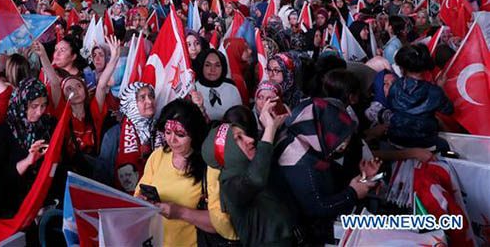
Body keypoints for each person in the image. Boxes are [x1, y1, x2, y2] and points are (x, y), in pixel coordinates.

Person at [275, 97, 379, 244]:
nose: (345, 143)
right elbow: (317, 206)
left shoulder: (307, 137)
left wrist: (362, 179)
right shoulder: (298, 162)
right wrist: (353, 193)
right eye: (342, 140)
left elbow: (330, 178)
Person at [203, 99, 294, 247]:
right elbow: (255, 179)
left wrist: (274, 125)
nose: (250, 140)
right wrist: (270, 130)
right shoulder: (229, 184)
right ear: (226, 151)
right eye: (238, 138)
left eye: (244, 134)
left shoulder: (251, 164)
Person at [135, 99, 212, 247]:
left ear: (195, 134)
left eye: (180, 134)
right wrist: (142, 200)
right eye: (167, 132)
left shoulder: (208, 165)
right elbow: (138, 195)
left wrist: (180, 212)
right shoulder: (158, 155)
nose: (172, 140)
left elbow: (220, 223)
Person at [0, 78, 56, 217]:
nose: (39, 112)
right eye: (34, 106)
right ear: (21, 103)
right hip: (15, 208)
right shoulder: (3, 132)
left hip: (48, 202)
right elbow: (0, 181)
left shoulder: (49, 126)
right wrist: (27, 161)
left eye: (43, 105)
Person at [387, 44, 453, 151]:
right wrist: (441, 88)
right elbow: (449, 110)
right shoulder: (434, 91)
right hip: (426, 143)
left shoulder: (395, 86)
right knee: (451, 150)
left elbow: (392, 105)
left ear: (402, 68)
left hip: (395, 139)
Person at [111, 82, 158, 192]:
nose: (149, 101)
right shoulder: (114, 134)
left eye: (151, 96)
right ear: (132, 103)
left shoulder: (161, 128)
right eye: (142, 98)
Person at [192, 48, 243, 120]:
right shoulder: (193, 89)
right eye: (207, 65)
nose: (213, 69)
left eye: (217, 65)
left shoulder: (231, 88)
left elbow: (240, 116)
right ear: (201, 66)